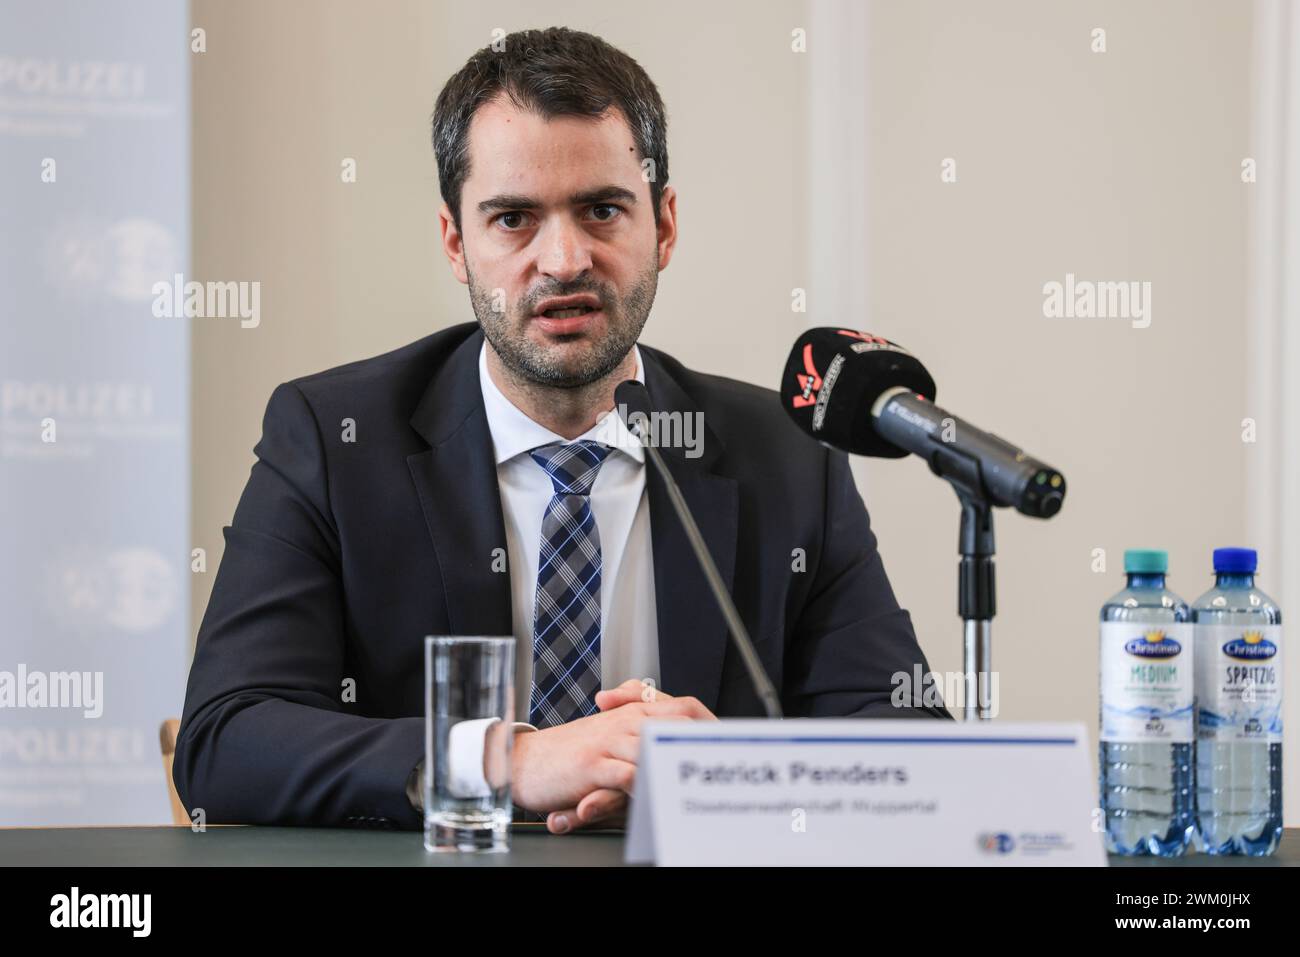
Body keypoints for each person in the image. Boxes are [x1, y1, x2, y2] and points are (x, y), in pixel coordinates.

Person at [174, 25, 949, 836]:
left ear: (665, 225)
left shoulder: (784, 457)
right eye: (513, 218)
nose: (564, 259)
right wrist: (515, 760)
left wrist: (724, 780)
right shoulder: (333, 441)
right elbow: (227, 742)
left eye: (603, 210)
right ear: (455, 242)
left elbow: (912, 751)